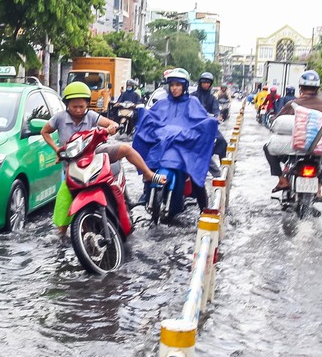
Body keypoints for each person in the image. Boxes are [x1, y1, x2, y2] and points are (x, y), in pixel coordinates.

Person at [41, 81, 162, 235]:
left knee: (125, 148)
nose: (78, 110)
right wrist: (57, 149)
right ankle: (62, 237)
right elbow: (45, 131)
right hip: (71, 166)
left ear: (87, 105)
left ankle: (147, 173)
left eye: (81, 106)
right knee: (63, 205)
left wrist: (111, 127)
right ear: (67, 105)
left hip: (94, 154)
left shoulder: (91, 115)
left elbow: (110, 123)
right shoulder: (59, 118)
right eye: (74, 107)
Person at [133, 68, 218, 213]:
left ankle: (204, 209)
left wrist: (211, 122)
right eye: (172, 85)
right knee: (150, 166)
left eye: (178, 85)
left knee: (196, 176)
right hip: (163, 146)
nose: (174, 88)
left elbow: (202, 121)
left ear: (184, 86)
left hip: (183, 147)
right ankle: (147, 194)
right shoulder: (162, 103)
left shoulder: (193, 102)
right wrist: (141, 113)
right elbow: (151, 118)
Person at [263, 70, 322, 201]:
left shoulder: (293, 104)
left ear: (300, 87)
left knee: (267, 148)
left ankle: (282, 179)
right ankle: (318, 188)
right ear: (317, 88)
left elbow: (278, 122)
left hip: (295, 148)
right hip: (317, 150)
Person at [191, 72, 227, 174]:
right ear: (200, 83)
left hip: (208, 127)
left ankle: (223, 169)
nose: (206, 84)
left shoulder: (212, 98)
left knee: (222, 142)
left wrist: (217, 116)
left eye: (208, 83)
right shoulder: (192, 97)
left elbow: (216, 111)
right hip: (193, 127)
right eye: (204, 82)